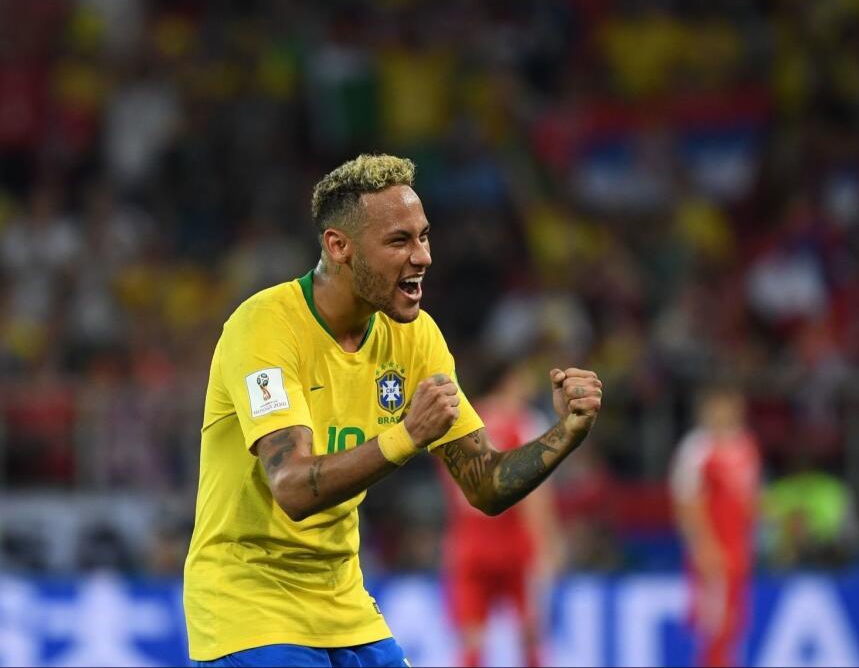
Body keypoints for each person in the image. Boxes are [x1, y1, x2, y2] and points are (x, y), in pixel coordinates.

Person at [182, 154, 603, 667]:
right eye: (399, 241)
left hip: (346, 606)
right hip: (248, 609)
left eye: (424, 237)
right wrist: (406, 436)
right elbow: (291, 486)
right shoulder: (265, 327)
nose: (422, 256)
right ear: (339, 246)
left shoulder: (415, 335)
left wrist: (566, 434)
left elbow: (485, 484)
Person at [438, 358, 563, 667]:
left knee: (471, 643)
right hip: (515, 543)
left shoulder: (463, 419)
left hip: (470, 543)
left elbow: (452, 488)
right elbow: (534, 493)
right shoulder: (523, 422)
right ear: (509, 379)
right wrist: (548, 545)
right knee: (530, 636)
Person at [669, 382, 760, 668]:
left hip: (738, 550)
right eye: (717, 407)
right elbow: (685, 503)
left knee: (734, 623)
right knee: (713, 625)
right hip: (713, 550)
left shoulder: (745, 445)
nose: (724, 414)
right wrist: (703, 546)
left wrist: (751, 541)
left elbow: (749, 501)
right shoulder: (696, 449)